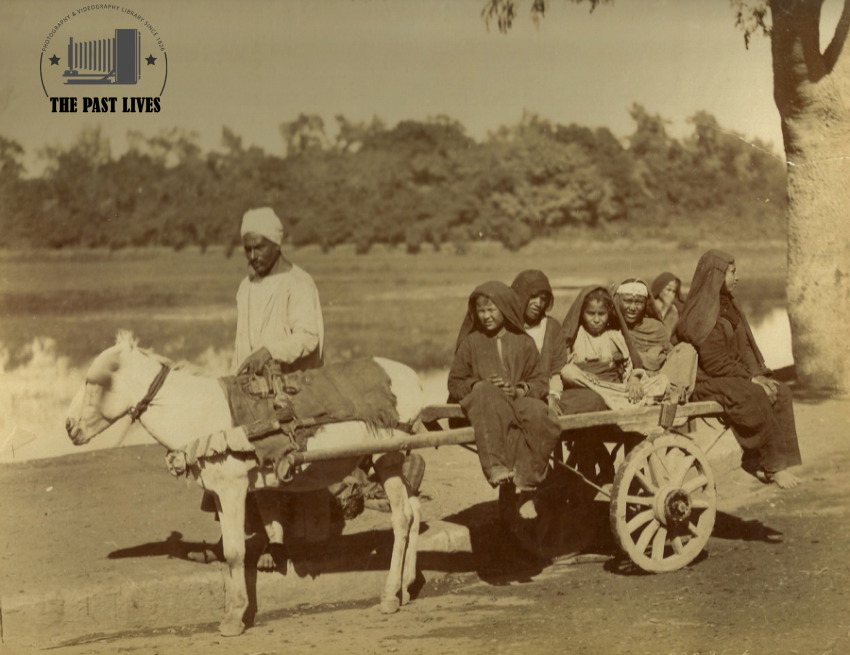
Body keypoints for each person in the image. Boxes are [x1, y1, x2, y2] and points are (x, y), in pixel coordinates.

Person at [194, 207, 325, 568]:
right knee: (222, 446)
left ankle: (275, 541)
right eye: (247, 248)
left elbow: (308, 338)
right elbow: (243, 342)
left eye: (259, 248)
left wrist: (269, 352)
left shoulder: (298, 283)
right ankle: (229, 537)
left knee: (262, 451)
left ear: (276, 244)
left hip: (291, 388)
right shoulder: (247, 286)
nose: (252, 256)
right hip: (253, 387)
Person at [673, 249, 802, 489]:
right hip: (704, 381)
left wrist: (758, 375)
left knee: (780, 391)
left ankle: (760, 460)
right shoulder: (702, 313)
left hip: (731, 376)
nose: (737, 277)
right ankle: (774, 466)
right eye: (732, 272)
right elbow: (715, 363)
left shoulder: (730, 305)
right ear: (716, 276)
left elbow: (747, 349)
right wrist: (750, 379)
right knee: (753, 394)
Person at [448, 281, 562, 517]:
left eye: (491, 309)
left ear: (506, 309)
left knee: (538, 413)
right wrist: (477, 385)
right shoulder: (471, 343)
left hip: (517, 402)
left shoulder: (524, 342)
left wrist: (518, 390)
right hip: (487, 406)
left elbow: (540, 381)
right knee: (485, 392)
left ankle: (528, 485)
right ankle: (495, 466)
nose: (486, 316)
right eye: (481, 310)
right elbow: (455, 383)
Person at [560, 286, 666, 410]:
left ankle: (612, 399)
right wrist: (583, 374)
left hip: (614, 387)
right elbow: (565, 367)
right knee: (567, 371)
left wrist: (633, 379)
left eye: (601, 314)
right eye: (590, 313)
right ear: (582, 312)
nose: (596, 320)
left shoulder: (614, 335)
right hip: (586, 385)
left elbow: (628, 365)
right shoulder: (574, 335)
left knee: (662, 381)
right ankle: (619, 402)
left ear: (609, 313)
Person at [613, 278, 697, 405]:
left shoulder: (655, 327)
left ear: (646, 304)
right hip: (631, 382)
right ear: (618, 301)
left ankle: (671, 397)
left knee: (687, 349)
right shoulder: (613, 328)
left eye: (639, 302)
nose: (633, 307)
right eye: (628, 301)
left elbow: (670, 355)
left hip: (660, 379)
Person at [510, 270, 567, 413]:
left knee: (591, 400)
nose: (538, 303)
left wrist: (553, 397)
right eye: (532, 297)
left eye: (543, 299)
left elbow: (557, 369)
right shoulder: (506, 326)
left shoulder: (552, 327)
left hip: (545, 393)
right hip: (513, 391)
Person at [651, 272, 686, 337]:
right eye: (668, 290)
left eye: (674, 291)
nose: (671, 294)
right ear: (660, 288)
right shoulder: (650, 305)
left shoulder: (675, 309)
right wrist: (666, 306)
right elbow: (654, 328)